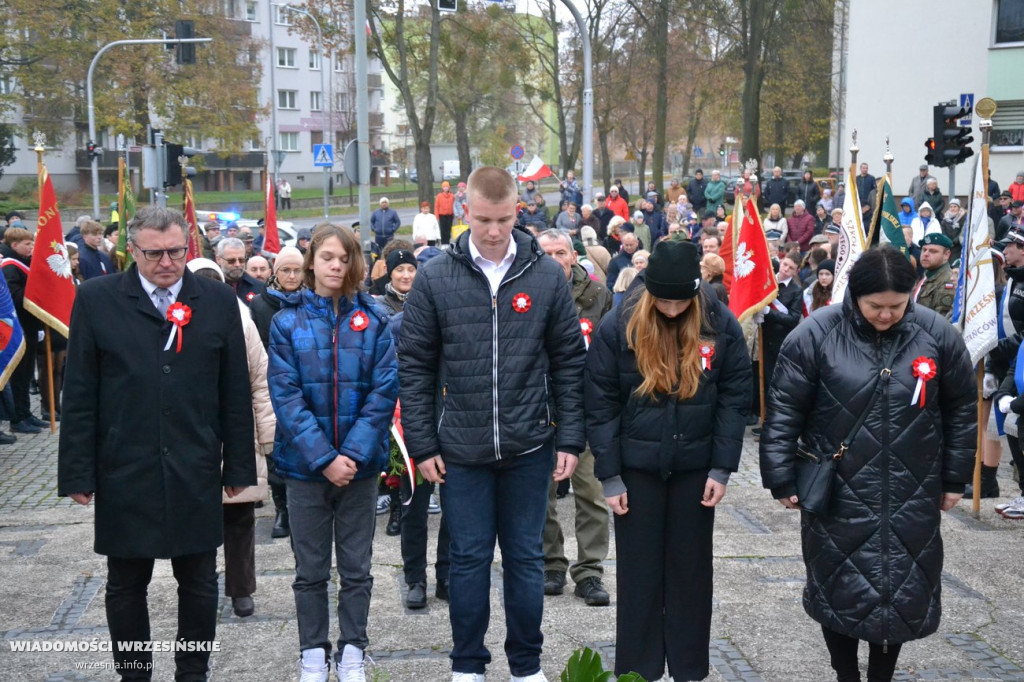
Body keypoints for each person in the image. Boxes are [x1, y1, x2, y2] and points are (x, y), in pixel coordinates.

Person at [398, 166, 585, 682]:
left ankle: (526, 667)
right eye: (483, 219)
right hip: (461, 450)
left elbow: (570, 361)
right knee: (468, 559)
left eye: (504, 219)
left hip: (529, 447)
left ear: (516, 213)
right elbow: (413, 363)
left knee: (526, 561)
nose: (495, 231)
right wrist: (422, 441)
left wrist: (569, 436)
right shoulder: (436, 276)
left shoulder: (545, 274)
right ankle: (467, 666)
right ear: (465, 212)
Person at [759, 246, 976, 682]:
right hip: (840, 490)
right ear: (855, 296)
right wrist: (780, 476)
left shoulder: (936, 334)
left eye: (896, 306)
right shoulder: (816, 333)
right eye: (876, 306)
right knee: (838, 585)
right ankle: (845, 673)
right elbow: (783, 410)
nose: (886, 315)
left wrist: (955, 478)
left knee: (902, 587)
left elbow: (962, 409)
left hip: (911, 488)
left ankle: (882, 675)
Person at [57, 206, 255, 681]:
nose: (167, 263)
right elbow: (80, 391)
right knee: (126, 583)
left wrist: (240, 470)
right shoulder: (97, 298)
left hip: (195, 462)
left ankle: (193, 671)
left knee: (200, 580)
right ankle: (134, 674)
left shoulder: (216, 299)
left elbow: (234, 392)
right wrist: (77, 472)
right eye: (154, 254)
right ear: (133, 250)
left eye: (176, 252)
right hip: (125, 464)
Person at [585, 239, 750, 681]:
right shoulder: (617, 323)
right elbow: (600, 403)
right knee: (638, 576)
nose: (673, 310)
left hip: (696, 467)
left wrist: (722, 468)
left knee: (690, 573)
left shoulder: (719, 321)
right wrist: (610, 476)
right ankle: (637, 671)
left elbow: (735, 398)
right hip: (636, 469)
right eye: (664, 302)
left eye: (682, 302)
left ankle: (689, 669)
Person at [268, 224, 398, 682]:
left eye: (344, 257)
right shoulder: (286, 321)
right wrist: (323, 457)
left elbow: (383, 393)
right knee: (311, 570)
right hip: (305, 469)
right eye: (327, 257)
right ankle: (312, 652)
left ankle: (352, 651)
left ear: (355, 263)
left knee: (357, 567)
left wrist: (353, 457)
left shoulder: (376, 319)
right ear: (311, 262)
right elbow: (285, 396)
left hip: (359, 469)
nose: (336, 265)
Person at [186, 258, 276, 619]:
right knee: (196, 520)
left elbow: (260, 380)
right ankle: (201, 585)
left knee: (239, 519)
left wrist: (268, 436)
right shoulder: (175, 322)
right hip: (192, 436)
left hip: (237, 433)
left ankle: (241, 590)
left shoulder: (242, 320)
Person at [535, 230, 613, 607]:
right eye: (545, 252)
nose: (553, 258)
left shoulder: (597, 296)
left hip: (584, 408)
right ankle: (551, 563)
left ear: (573, 257)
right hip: (537, 409)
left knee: (592, 493)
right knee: (541, 495)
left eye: (560, 252)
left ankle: (590, 571)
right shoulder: (526, 292)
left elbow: (614, 348)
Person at [250, 246, 306, 540]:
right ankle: (282, 507)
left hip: (309, 381)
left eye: (297, 269)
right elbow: (258, 348)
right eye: (286, 270)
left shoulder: (314, 299)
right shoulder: (261, 305)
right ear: (275, 272)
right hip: (275, 383)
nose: (292, 276)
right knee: (276, 446)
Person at [0, 228, 45, 434]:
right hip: (18, 327)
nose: (31, 247)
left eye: (31, 243)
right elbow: (14, 297)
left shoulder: (25, 263)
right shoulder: (10, 267)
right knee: (19, 375)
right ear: (14, 244)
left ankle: (26, 413)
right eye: (27, 244)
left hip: (30, 325)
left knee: (27, 373)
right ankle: (17, 418)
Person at [914, 233, 956, 318]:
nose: (926, 254)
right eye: (924, 249)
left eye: (933, 251)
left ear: (946, 255)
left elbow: (940, 321)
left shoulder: (948, 281)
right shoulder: (929, 274)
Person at [216, 237, 265, 305]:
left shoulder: (260, 288)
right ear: (218, 259)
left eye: (241, 260)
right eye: (231, 261)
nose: (237, 264)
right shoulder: (211, 288)